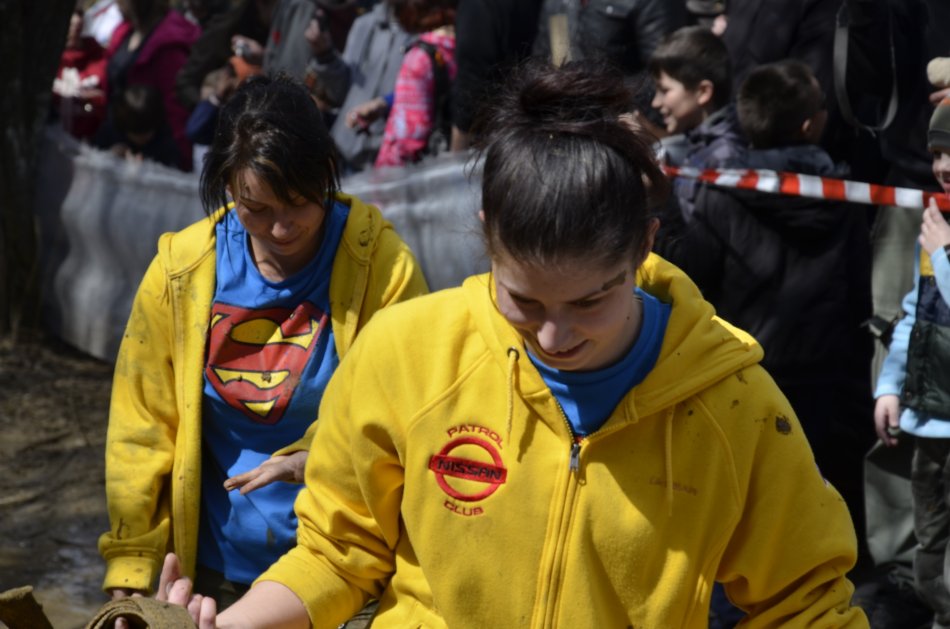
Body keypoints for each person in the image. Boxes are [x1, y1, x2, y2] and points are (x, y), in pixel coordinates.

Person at [159, 59, 868, 628]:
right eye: (524, 301)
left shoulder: (733, 403)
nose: (555, 337)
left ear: (644, 246)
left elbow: (804, 604)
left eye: (591, 301)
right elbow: (338, 554)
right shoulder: (407, 354)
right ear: (486, 234)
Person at [97, 74, 428, 613]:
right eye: (257, 208)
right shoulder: (182, 272)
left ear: (326, 170)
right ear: (228, 187)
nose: (281, 228)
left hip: (345, 567)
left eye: (298, 202)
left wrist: (310, 455)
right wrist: (132, 556)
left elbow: (408, 408)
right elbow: (142, 424)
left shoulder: (381, 268)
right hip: (215, 571)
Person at [655, 59, 875, 575]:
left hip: (751, 368)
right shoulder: (845, 196)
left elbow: (697, 279)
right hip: (831, 370)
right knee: (831, 493)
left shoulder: (718, 192)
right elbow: (858, 286)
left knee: (757, 498)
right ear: (810, 124)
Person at [873, 96, 950, 628]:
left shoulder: (938, 237)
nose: (943, 166)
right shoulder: (936, 222)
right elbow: (916, 313)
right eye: (938, 153)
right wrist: (890, 385)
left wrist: (943, 252)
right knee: (931, 542)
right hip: (929, 423)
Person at [646, 25, 745, 217]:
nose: (655, 102)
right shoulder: (696, 144)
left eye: (665, 90)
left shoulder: (725, 158)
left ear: (703, 92)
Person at [103, 0, 200, 170]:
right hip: (115, 136)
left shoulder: (169, 45)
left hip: (150, 152)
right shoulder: (126, 31)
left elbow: (176, 109)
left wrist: (181, 162)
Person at [373, 0, 457, 168]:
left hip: (414, 172)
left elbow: (409, 134)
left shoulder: (418, 58)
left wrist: (384, 174)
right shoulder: (463, 46)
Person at [92, 83, 183, 168]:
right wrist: (108, 157)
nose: (141, 139)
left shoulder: (165, 143)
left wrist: (144, 169)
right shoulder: (109, 133)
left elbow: (172, 170)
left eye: (146, 133)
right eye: (136, 134)